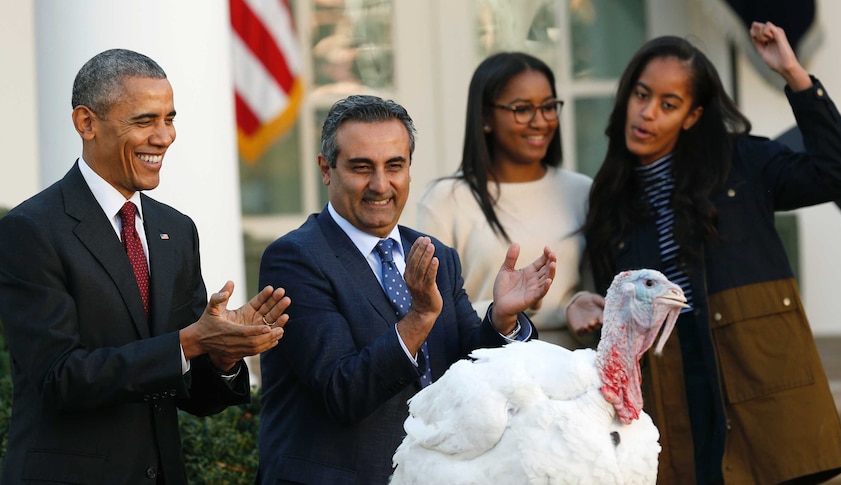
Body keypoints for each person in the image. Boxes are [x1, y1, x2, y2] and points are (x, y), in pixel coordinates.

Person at [570, 22, 841, 484]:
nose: (646, 114)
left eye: (668, 104)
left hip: (751, 374)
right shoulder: (611, 198)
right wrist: (581, 303)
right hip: (669, 384)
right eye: (641, 95)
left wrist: (793, 73)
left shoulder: (742, 163)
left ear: (692, 115)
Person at [0, 49, 291, 484]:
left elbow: (192, 395)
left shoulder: (175, 229)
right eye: (144, 121)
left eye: (169, 119)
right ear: (86, 123)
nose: (164, 137)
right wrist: (190, 342)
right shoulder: (31, 230)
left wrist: (223, 354)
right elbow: (58, 379)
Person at [256, 94, 556, 484]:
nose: (381, 185)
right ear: (326, 169)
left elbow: (467, 368)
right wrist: (419, 318)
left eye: (394, 166)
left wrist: (503, 319)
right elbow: (342, 392)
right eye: (362, 167)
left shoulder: (437, 256)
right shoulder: (295, 259)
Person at [416, 52, 595, 350]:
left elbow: (600, 296)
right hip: (489, 381)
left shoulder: (581, 191)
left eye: (549, 107)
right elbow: (435, 312)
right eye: (522, 109)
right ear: (485, 118)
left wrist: (576, 306)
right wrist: (506, 308)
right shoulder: (445, 201)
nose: (540, 121)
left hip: (575, 377)